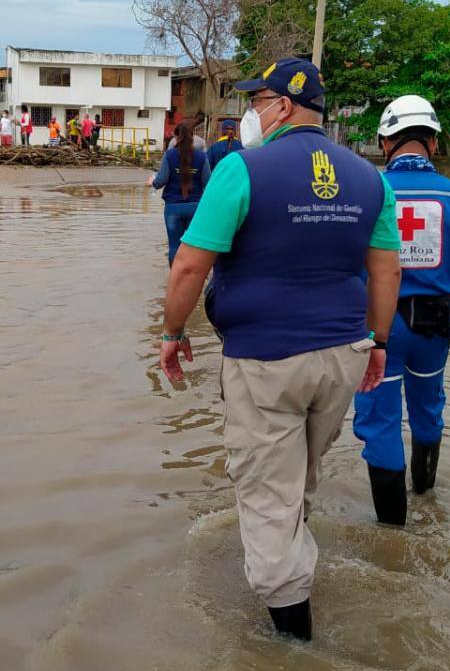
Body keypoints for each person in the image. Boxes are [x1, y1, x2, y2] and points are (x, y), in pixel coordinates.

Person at [157, 57, 402, 641]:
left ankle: (292, 639)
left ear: (284, 106)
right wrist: (379, 343)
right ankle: (292, 556)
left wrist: (172, 334)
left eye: (259, 101)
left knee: (266, 491)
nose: (253, 112)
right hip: (343, 353)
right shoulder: (372, 179)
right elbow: (386, 270)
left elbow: (191, 264)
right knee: (301, 473)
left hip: (266, 361)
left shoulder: (242, 170)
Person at [352, 95, 450, 527]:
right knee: (428, 406)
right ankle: (426, 494)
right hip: (435, 328)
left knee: (380, 418)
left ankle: (392, 532)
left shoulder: (367, 192)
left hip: (378, 327)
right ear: (433, 142)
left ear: (384, 141)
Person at [148, 121, 211, 265]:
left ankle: (174, 282)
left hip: (173, 207)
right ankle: (194, 281)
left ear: (176, 137)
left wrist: (152, 182)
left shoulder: (169, 155)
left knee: (174, 246)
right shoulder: (202, 157)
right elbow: (208, 183)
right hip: (195, 207)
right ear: (192, 137)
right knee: (194, 246)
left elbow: (161, 180)